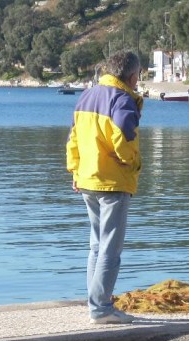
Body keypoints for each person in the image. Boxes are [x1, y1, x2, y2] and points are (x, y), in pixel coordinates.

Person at [66, 50, 143, 324]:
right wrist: (133, 163)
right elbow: (124, 138)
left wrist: (74, 170)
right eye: (138, 76)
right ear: (133, 76)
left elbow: (72, 139)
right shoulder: (121, 99)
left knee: (96, 246)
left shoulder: (87, 96)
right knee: (110, 249)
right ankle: (100, 309)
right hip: (112, 182)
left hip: (87, 179)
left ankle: (95, 303)